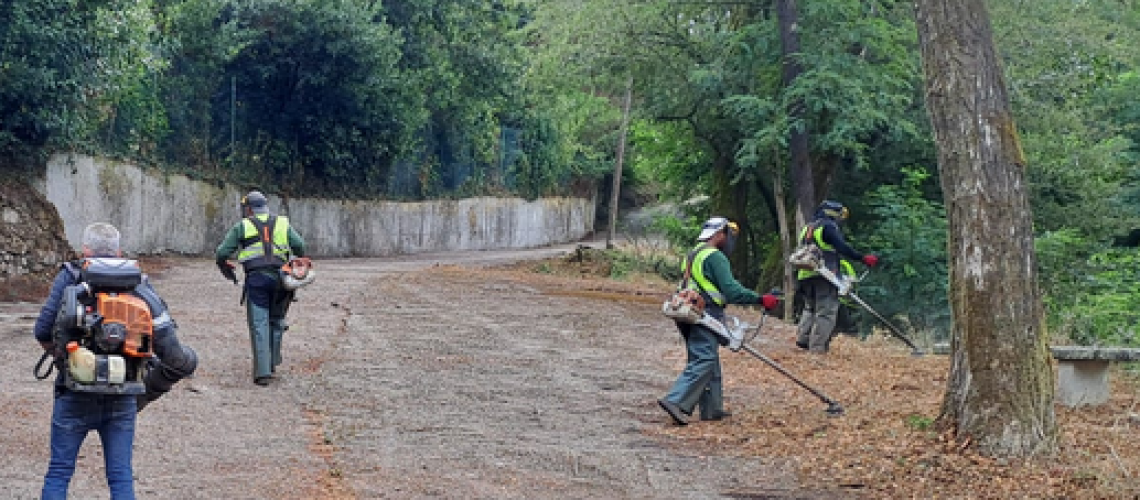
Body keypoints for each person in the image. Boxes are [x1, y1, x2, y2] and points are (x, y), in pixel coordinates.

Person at [32, 222, 198, 500]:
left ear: (85, 250)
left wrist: (65, 359)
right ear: (119, 251)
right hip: (123, 395)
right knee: (120, 476)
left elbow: (42, 330)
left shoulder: (70, 276)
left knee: (59, 472)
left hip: (74, 391)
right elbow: (167, 347)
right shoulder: (139, 282)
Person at [658, 216, 780, 426]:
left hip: (687, 311)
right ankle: (675, 401)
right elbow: (731, 290)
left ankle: (712, 409)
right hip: (705, 312)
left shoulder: (693, 254)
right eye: (728, 234)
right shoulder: (715, 257)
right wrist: (761, 299)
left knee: (708, 358)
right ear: (718, 234)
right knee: (704, 359)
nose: (730, 240)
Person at [215, 190, 306, 386]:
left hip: (257, 280)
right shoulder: (282, 223)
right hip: (282, 280)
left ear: (248, 209)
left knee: (259, 323)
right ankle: (272, 362)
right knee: (277, 319)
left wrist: (223, 263)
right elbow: (300, 245)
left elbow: (223, 252)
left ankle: (263, 372)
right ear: (265, 206)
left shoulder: (243, 226)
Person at [795, 200, 878, 354]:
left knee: (810, 308)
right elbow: (841, 247)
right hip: (825, 275)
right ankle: (817, 348)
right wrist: (862, 258)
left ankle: (803, 339)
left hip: (805, 275)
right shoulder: (828, 227)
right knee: (825, 312)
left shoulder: (808, 227)